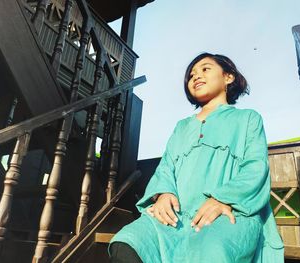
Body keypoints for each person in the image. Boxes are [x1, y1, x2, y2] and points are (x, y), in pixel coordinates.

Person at [108, 52, 285, 262]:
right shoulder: (181, 127)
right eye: (191, 75)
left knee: (211, 250)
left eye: (205, 69)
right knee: (128, 242)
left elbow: (256, 167)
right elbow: (166, 167)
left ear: (228, 77)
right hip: (175, 216)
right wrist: (163, 193)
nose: (196, 76)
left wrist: (222, 199)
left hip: (230, 212)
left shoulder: (248, 119)